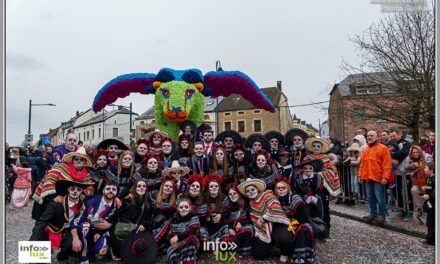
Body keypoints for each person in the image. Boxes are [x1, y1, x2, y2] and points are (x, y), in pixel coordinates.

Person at [29, 178, 94, 262]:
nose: (75, 191)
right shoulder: (56, 203)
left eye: (78, 189)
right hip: (53, 228)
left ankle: (62, 258)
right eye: (72, 188)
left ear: (82, 191)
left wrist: (116, 199)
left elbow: (97, 197)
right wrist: (33, 239)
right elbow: (42, 221)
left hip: (69, 230)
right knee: (35, 252)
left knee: (73, 242)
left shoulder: (82, 205)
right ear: (68, 189)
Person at [237, 178, 293, 261]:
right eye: (248, 191)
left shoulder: (267, 195)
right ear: (246, 194)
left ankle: (285, 252)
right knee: (259, 255)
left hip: (277, 223)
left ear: (257, 189)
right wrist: (240, 223)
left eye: (252, 189)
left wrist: (263, 218)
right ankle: (272, 244)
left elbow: (276, 208)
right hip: (263, 229)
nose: (251, 192)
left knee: (284, 238)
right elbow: (250, 219)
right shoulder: (250, 204)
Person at [71, 181, 118, 262]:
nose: (111, 191)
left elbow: (116, 221)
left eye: (114, 189)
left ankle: (93, 248)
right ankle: (84, 255)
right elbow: (76, 221)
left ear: (117, 192)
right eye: (108, 188)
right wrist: (75, 238)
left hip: (102, 232)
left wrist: (108, 226)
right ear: (103, 190)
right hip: (86, 229)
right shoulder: (91, 202)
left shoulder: (117, 205)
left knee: (102, 250)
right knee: (84, 226)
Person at [274, 177, 315, 263]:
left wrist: (295, 225)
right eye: (278, 188)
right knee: (280, 236)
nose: (281, 190)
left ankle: (292, 253)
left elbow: (304, 216)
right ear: (276, 190)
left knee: (297, 233)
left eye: (283, 188)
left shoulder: (295, 198)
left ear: (288, 188)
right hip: (282, 223)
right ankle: (284, 251)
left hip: (296, 222)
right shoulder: (275, 200)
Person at [107, 180, 151, 261]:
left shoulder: (147, 203)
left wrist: (143, 225)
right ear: (135, 188)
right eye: (139, 186)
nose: (141, 188)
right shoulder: (128, 199)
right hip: (122, 229)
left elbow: (148, 219)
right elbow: (117, 213)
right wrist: (110, 223)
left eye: (144, 186)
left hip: (136, 230)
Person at [359, 131, 392, 225]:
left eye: (371, 135)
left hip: (378, 177)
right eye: (368, 135)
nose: (369, 137)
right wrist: (360, 175)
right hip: (368, 177)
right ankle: (373, 214)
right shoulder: (366, 149)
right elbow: (362, 164)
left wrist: (385, 177)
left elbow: (387, 164)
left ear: (376, 137)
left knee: (379, 197)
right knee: (370, 197)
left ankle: (382, 215)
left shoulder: (383, 148)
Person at [166, 198, 201, 264]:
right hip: (178, 243)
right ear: (178, 209)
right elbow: (172, 233)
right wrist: (170, 239)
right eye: (181, 207)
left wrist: (178, 237)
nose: (184, 209)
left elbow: (193, 231)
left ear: (189, 208)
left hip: (191, 241)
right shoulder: (174, 219)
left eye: (186, 207)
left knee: (191, 239)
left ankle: (188, 260)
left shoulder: (194, 217)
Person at [225, 183, 254, 260]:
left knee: (248, 228)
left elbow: (252, 220)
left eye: (234, 193)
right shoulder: (230, 206)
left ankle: (245, 252)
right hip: (235, 232)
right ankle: (233, 248)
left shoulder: (247, 203)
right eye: (230, 194)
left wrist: (241, 223)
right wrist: (230, 228)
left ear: (239, 194)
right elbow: (228, 220)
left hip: (247, 230)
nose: (232, 195)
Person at [149, 176, 177, 250]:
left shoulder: (173, 201)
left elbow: (172, 215)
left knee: (168, 222)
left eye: (170, 187)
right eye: (166, 186)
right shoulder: (153, 194)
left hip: (163, 223)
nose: (168, 188)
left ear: (172, 190)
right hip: (150, 221)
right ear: (162, 186)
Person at [390, 129, 412, 216]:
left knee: (407, 191)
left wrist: (391, 154)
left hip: (406, 172)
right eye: (391, 136)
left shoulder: (406, 143)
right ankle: (401, 208)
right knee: (397, 191)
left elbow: (402, 154)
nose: (392, 138)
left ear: (400, 134)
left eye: (394, 136)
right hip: (396, 172)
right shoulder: (391, 144)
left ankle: (410, 209)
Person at [403, 146, 429, 219]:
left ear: (420, 152)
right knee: (414, 190)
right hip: (416, 182)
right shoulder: (409, 158)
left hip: (427, 180)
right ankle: (419, 208)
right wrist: (413, 165)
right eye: (413, 152)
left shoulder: (425, 157)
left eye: (417, 152)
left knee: (428, 194)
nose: (415, 154)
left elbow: (429, 167)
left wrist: (416, 170)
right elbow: (405, 167)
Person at [203, 174, 230, 243]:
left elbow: (228, 212)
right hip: (207, 225)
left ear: (219, 188)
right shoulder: (203, 198)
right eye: (211, 186)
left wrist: (221, 215)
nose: (214, 188)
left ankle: (223, 245)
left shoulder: (224, 198)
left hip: (219, 224)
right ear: (208, 188)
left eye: (216, 186)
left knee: (225, 222)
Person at [421, 162, 435, 246]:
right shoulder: (429, 178)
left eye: (426, 168)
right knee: (429, 223)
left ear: (431, 170)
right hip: (430, 205)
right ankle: (430, 240)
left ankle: (431, 241)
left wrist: (429, 196)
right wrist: (425, 189)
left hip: (434, 206)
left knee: (432, 223)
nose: (424, 169)